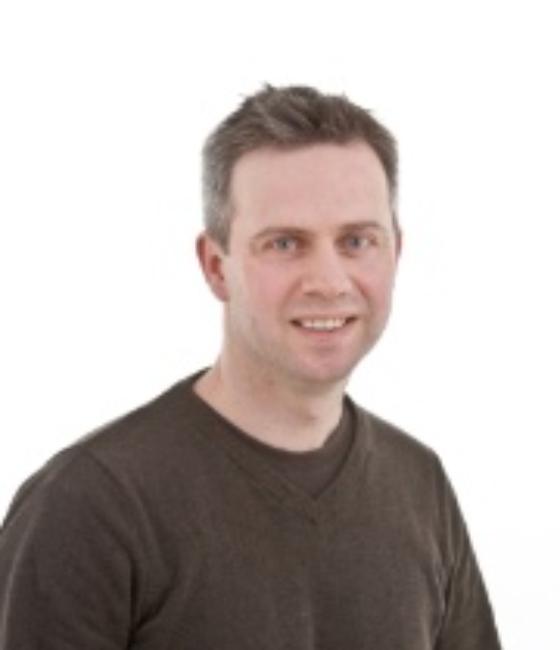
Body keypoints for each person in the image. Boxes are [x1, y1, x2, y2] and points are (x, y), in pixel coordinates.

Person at [0, 84, 502, 649]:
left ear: (395, 254)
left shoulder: (419, 484)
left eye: (357, 241)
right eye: (285, 244)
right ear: (216, 266)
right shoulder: (90, 506)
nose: (329, 281)